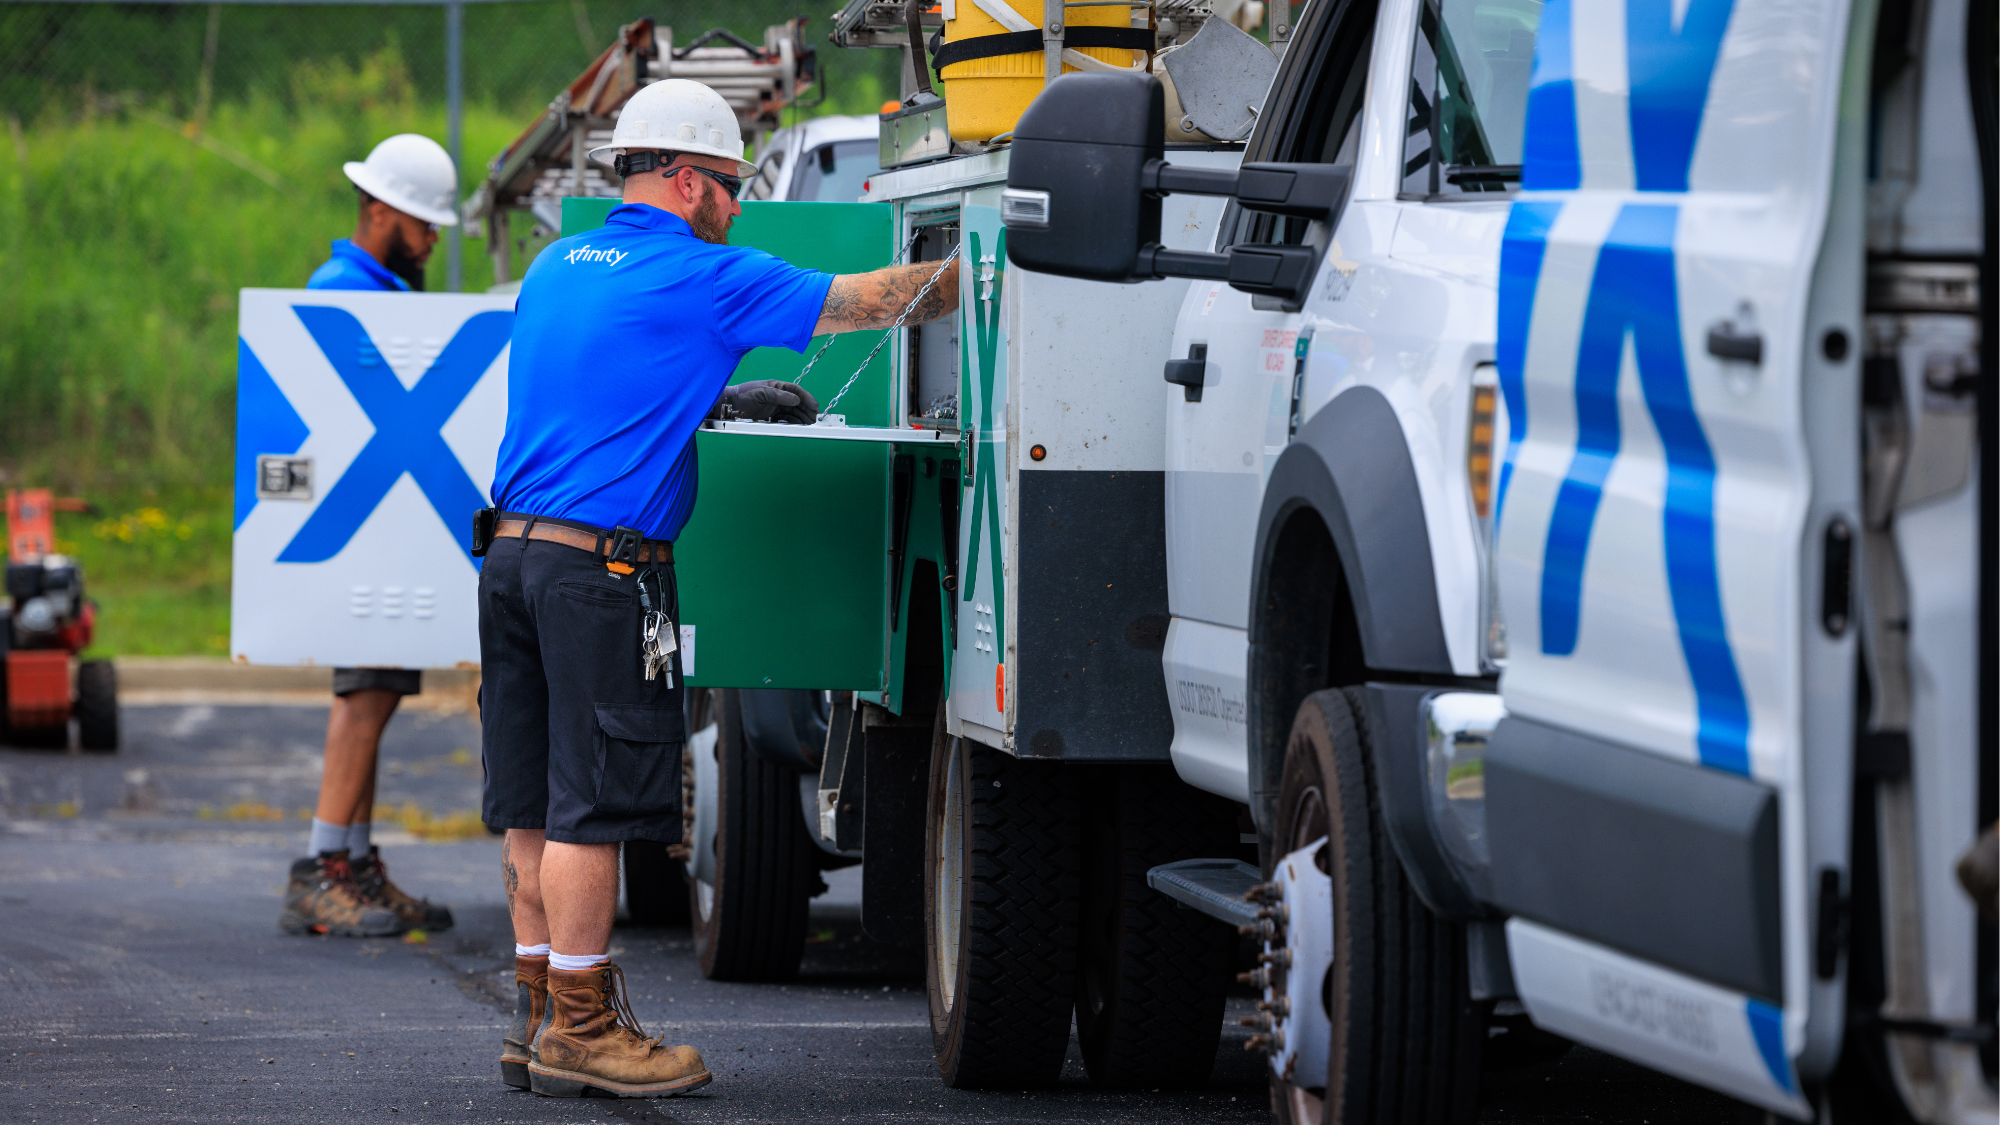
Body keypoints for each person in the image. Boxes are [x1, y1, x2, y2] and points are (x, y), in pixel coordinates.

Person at [480, 79, 959, 1100]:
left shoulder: (557, 267)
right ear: (689, 181)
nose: (738, 207)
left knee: (529, 806)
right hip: (598, 572)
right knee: (591, 810)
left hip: (514, 560)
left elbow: (608, 385)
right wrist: (986, 266)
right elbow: (873, 301)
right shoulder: (708, 277)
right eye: (732, 187)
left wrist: (707, 391)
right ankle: (583, 1026)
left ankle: (532, 1018)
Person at [278, 133, 460, 939]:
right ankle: (320, 870)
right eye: (423, 224)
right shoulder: (341, 290)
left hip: (384, 530)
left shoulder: (375, 286)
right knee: (361, 699)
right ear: (380, 210)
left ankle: (350, 860)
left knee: (376, 697)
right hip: (366, 531)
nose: (431, 241)